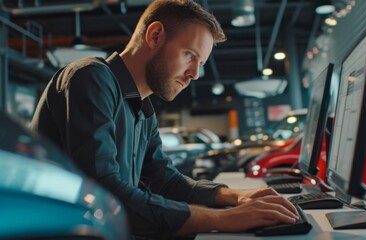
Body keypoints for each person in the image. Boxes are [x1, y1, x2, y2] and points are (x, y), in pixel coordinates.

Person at [31, 0, 298, 238]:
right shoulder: (90, 77)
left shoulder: (142, 108)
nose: (194, 73)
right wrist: (225, 219)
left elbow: (164, 179)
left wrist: (235, 196)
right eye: (190, 55)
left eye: (201, 63)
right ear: (155, 35)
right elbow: (104, 192)